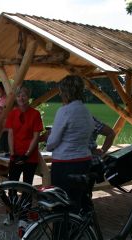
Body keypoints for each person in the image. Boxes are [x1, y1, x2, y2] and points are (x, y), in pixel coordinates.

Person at [46, 75, 94, 213]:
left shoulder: (64, 111)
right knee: (75, 202)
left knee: (60, 205)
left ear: (66, 91)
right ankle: (74, 233)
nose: (60, 94)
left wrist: (49, 139)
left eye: (61, 91)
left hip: (65, 164)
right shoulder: (86, 111)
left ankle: (61, 234)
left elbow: (52, 143)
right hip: (84, 162)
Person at [5, 86, 43, 186]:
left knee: (27, 186)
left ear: (28, 97)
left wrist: (26, 155)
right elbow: (10, 134)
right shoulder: (12, 114)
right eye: (18, 96)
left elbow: (36, 136)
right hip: (15, 155)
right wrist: (13, 153)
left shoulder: (35, 114)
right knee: (12, 186)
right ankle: (12, 202)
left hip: (30, 157)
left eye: (24, 95)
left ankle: (27, 202)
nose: (21, 98)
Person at [0, 81, 9, 152]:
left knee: (3, 151)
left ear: (4, 90)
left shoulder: (9, 99)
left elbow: (7, 111)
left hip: (4, 130)